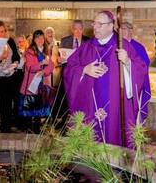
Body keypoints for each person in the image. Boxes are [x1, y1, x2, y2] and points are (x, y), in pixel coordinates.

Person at [63, 11, 147, 147]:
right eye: (94, 23)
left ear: (110, 26)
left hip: (115, 108)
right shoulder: (86, 47)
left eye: (99, 24)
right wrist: (84, 70)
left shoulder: (123, 46)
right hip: (89, 107)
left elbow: (141, 70)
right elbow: (69, 69)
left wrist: (127, 62)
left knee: (113, 138)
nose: (95, 27)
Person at [19, 30, 53, 133]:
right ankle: (28, 133)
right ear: (34, 39)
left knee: (38, 111)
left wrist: (44, 71)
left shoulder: (46, 51)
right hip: (31, 85)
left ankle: (37, 132)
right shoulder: (30, 51)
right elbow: (29, 67)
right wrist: (41, 63)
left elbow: (51, 66)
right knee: (29, 112)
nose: (40, 40)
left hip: (41, 86)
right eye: (37, 38)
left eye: (42, 38)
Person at [0, 20, 20, 132]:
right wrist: (1, 58)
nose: (3, 34)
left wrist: (15, 64)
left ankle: (6, 127)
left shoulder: (10, 41)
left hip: (10, 76)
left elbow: (16, 56)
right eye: (0, 32)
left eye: (4, 31)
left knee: (7, 103)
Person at [121, 21, 151, 123]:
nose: (121, 31)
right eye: (119, 29)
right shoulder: (118, 46)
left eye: (124, 29)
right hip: (120, 85)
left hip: (135, 84)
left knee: (133, 115)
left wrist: (129, 63)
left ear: (130, 31)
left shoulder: (138, 47)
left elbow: (144, 66)